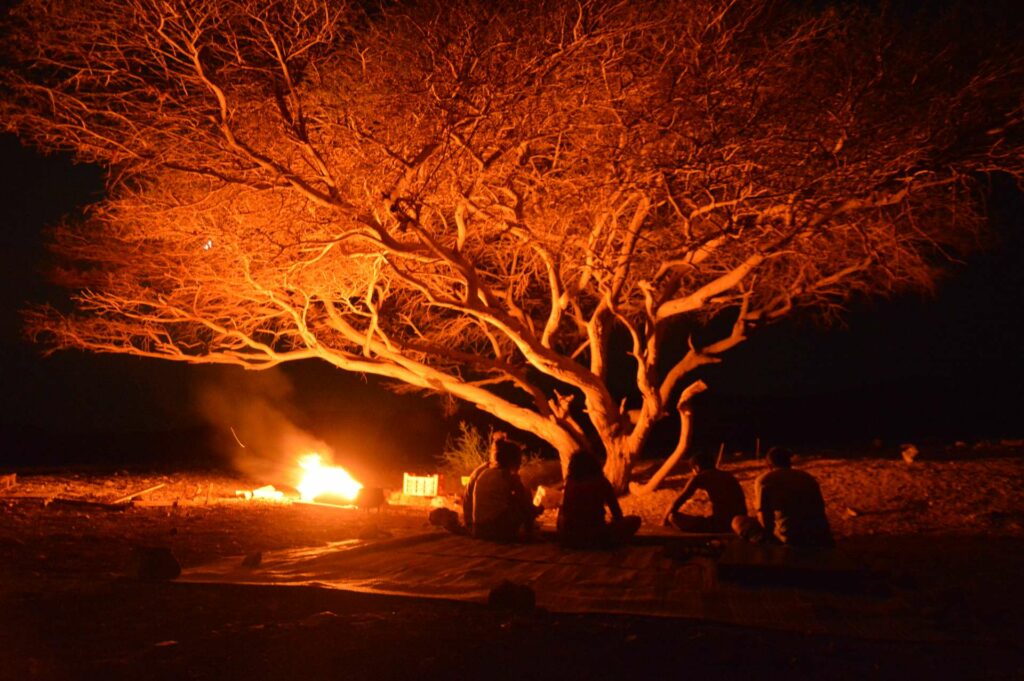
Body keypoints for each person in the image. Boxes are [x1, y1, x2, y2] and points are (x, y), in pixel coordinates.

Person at [732, 447, 834, 548]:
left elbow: (764, 517)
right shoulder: (807, 477)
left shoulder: (764, 480)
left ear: (769, 465)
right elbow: (820, 507)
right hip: (818, 535)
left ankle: (772, 547)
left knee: (738, 521)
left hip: (791, 538)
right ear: (789, 462)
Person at [557, 452, 641, 549]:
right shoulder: (601, 481)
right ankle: (611, 543)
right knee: (635, 520)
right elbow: (617, 513)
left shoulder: (570, 483)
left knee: (561, 511)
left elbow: (565, 510)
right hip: (595, 537)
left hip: (570, 538)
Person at [470, 435, 541, 542]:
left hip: (479, 529)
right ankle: (529, 534)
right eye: (519, 459)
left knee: (514, 501)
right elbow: (523, 499)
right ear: (513, 460)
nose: (520, 463)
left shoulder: (485, 472)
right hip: (495, 530)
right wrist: (535, 510)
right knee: (525, 496)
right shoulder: (507, 476)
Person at [661, 449, 747, 533]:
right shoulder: (728, 476)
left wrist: (664, 521)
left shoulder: (700, 477)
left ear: (697, 467)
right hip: (739, 521)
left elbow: (678, 502)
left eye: (692, 469)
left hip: (720, 525)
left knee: (673, 517)